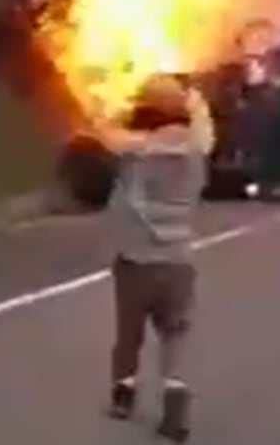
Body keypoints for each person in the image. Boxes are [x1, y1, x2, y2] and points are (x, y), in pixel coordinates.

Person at [91, 75, 215, 443]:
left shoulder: (137, 152)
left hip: (136, 261)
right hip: (179, 262)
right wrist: (194, 97)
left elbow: (104, 132)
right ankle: (175, 409)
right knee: (175, 335)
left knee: (129, 334)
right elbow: (206, 130)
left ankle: (123, 396)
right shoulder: (197, 151)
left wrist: (105, 101)